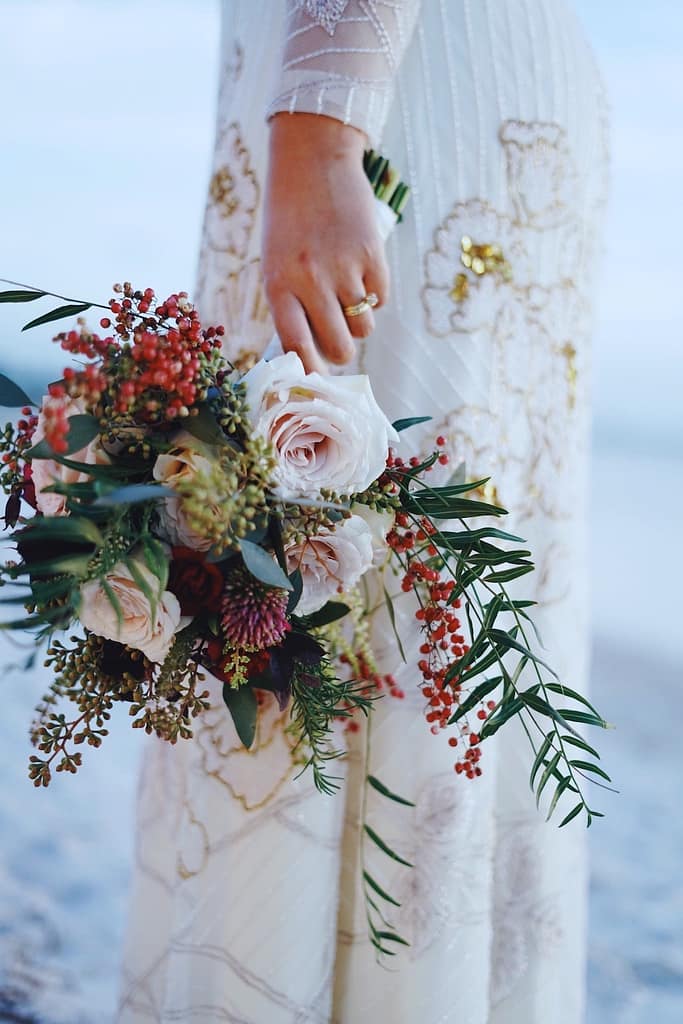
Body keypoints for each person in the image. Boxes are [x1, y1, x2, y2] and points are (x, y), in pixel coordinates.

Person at [117, 2, 609, 1021]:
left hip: (389, 88)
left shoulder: (332, 119)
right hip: (386, 78)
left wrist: (323, 121)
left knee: (368, 574)